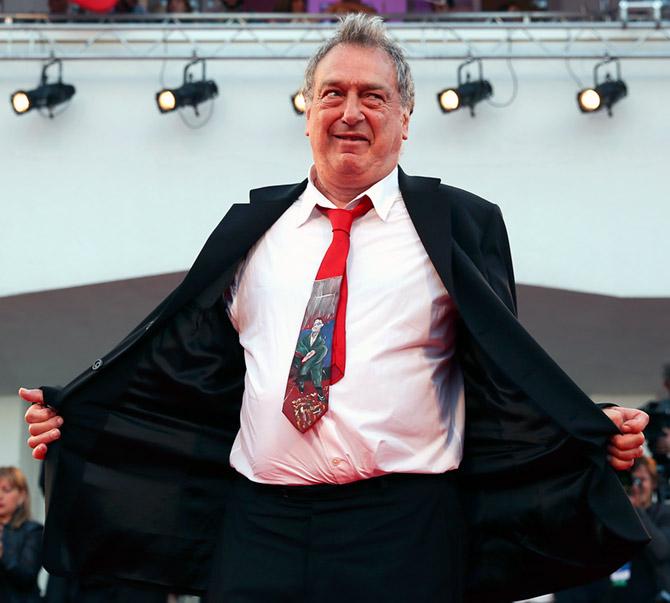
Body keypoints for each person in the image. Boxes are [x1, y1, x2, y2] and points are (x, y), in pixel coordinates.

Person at [22, 14, 649, 603]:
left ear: (405, 118)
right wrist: (79, 409)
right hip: (258, 525)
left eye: (373, 97)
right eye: (333, 93)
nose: (351, 112)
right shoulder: (250, 230)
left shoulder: (459, 225)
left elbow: (506, 370)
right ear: (308, 111)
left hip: (404, 528)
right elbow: (180, 371)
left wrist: (586, 427)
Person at [0, 467, 42, 603]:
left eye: (6, 490)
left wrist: (3, 554)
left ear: (22, 496)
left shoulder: (33, 531)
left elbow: (27, 576)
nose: (0, 495)